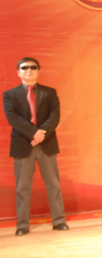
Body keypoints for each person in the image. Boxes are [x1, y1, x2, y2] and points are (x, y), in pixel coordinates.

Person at [3, 57, 68, 236]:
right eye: (24, 68)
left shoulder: (50, 92)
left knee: (53, 184)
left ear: (38, 71)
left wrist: (41, 134)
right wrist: (34, 133)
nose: (29, 70)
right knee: (22, 187)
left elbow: (54, 116)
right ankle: (22, 225)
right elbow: (13, 118)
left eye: (33, 67)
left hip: (46, 143)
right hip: (23, 144)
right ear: (18, 72)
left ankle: (59, 221)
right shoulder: (10, 95)